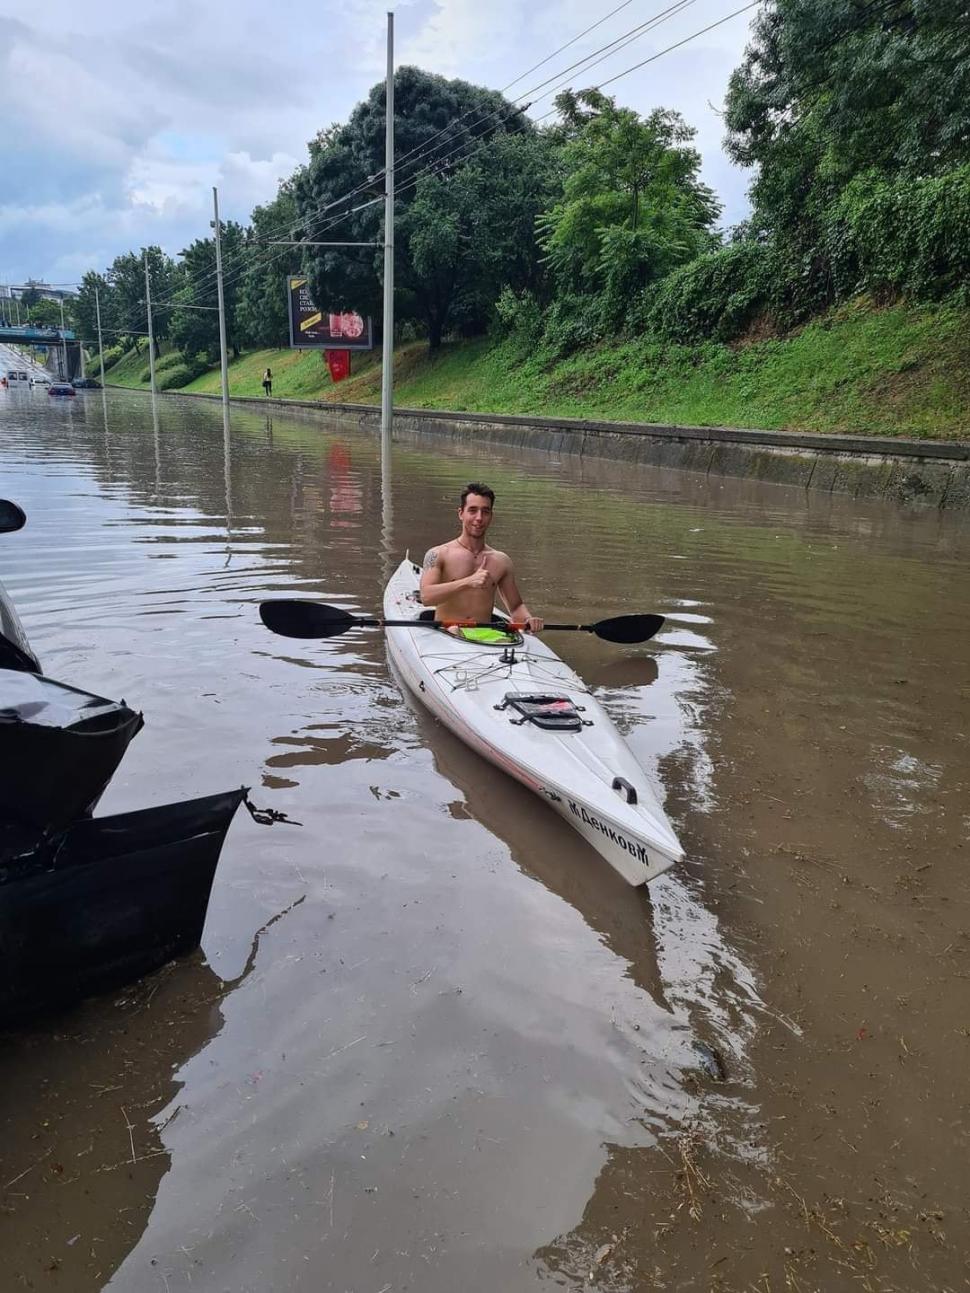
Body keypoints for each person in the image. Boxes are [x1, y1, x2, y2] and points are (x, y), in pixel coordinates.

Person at [419, 482, 544, 638]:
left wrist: (528, 619)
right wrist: (468, 582)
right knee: (454, 630)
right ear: (460, 513)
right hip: (446, 633)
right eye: (472, 510)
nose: (479, 518)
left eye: (485, 512)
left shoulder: (502, 561)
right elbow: (426, 597)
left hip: (484, 636)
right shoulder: (438, 554)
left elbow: (516, 606)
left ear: (491, 516)